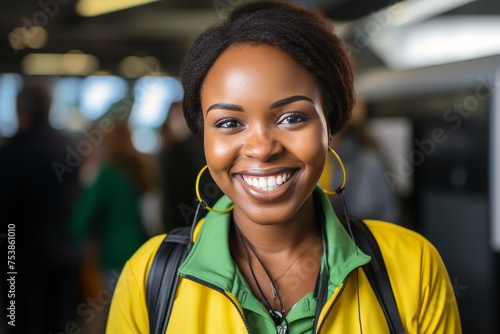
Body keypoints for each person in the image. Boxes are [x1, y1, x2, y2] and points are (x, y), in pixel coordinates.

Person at [106, 1, 462, 333]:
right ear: (203, 138)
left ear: (330, 126)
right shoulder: (150, 277)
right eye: (229, 123)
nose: (261, 149)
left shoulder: (413, 266)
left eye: (292, 117)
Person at [0, 80, 81, 334]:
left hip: (19, 258)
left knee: (19, 322)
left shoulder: (11, 152)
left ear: (20, 111)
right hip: (64, 253)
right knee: (58, 323)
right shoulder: (68, 148)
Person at [70, 102, 154, 332]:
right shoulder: (142, 169)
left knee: (109, 318)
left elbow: (80, 219)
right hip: (141, 250)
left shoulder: (107, 175)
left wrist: (81, 244)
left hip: (111, 255)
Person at [157, 100, 206, 231]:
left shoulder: (197, 147)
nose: (180, 121)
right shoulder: (167, 150)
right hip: (174, 219)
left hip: (196, 217)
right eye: (176, 116)